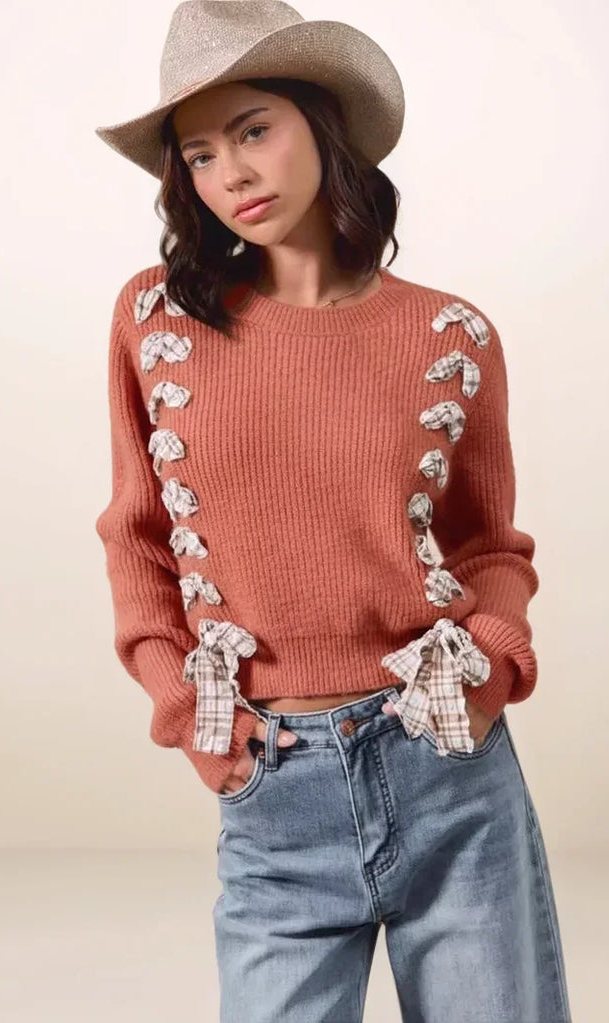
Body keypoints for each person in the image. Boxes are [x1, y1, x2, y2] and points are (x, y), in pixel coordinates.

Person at [93, 3, 572, 1020]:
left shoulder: (450, 335)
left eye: (254, 128)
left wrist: (489, 666)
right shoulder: (156, 322)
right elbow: (135, 536)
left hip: (449, 768)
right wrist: (189, 715)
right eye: (200, 153)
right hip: (273, 785)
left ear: (321, 121)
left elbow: (489, 543)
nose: (231, 173)